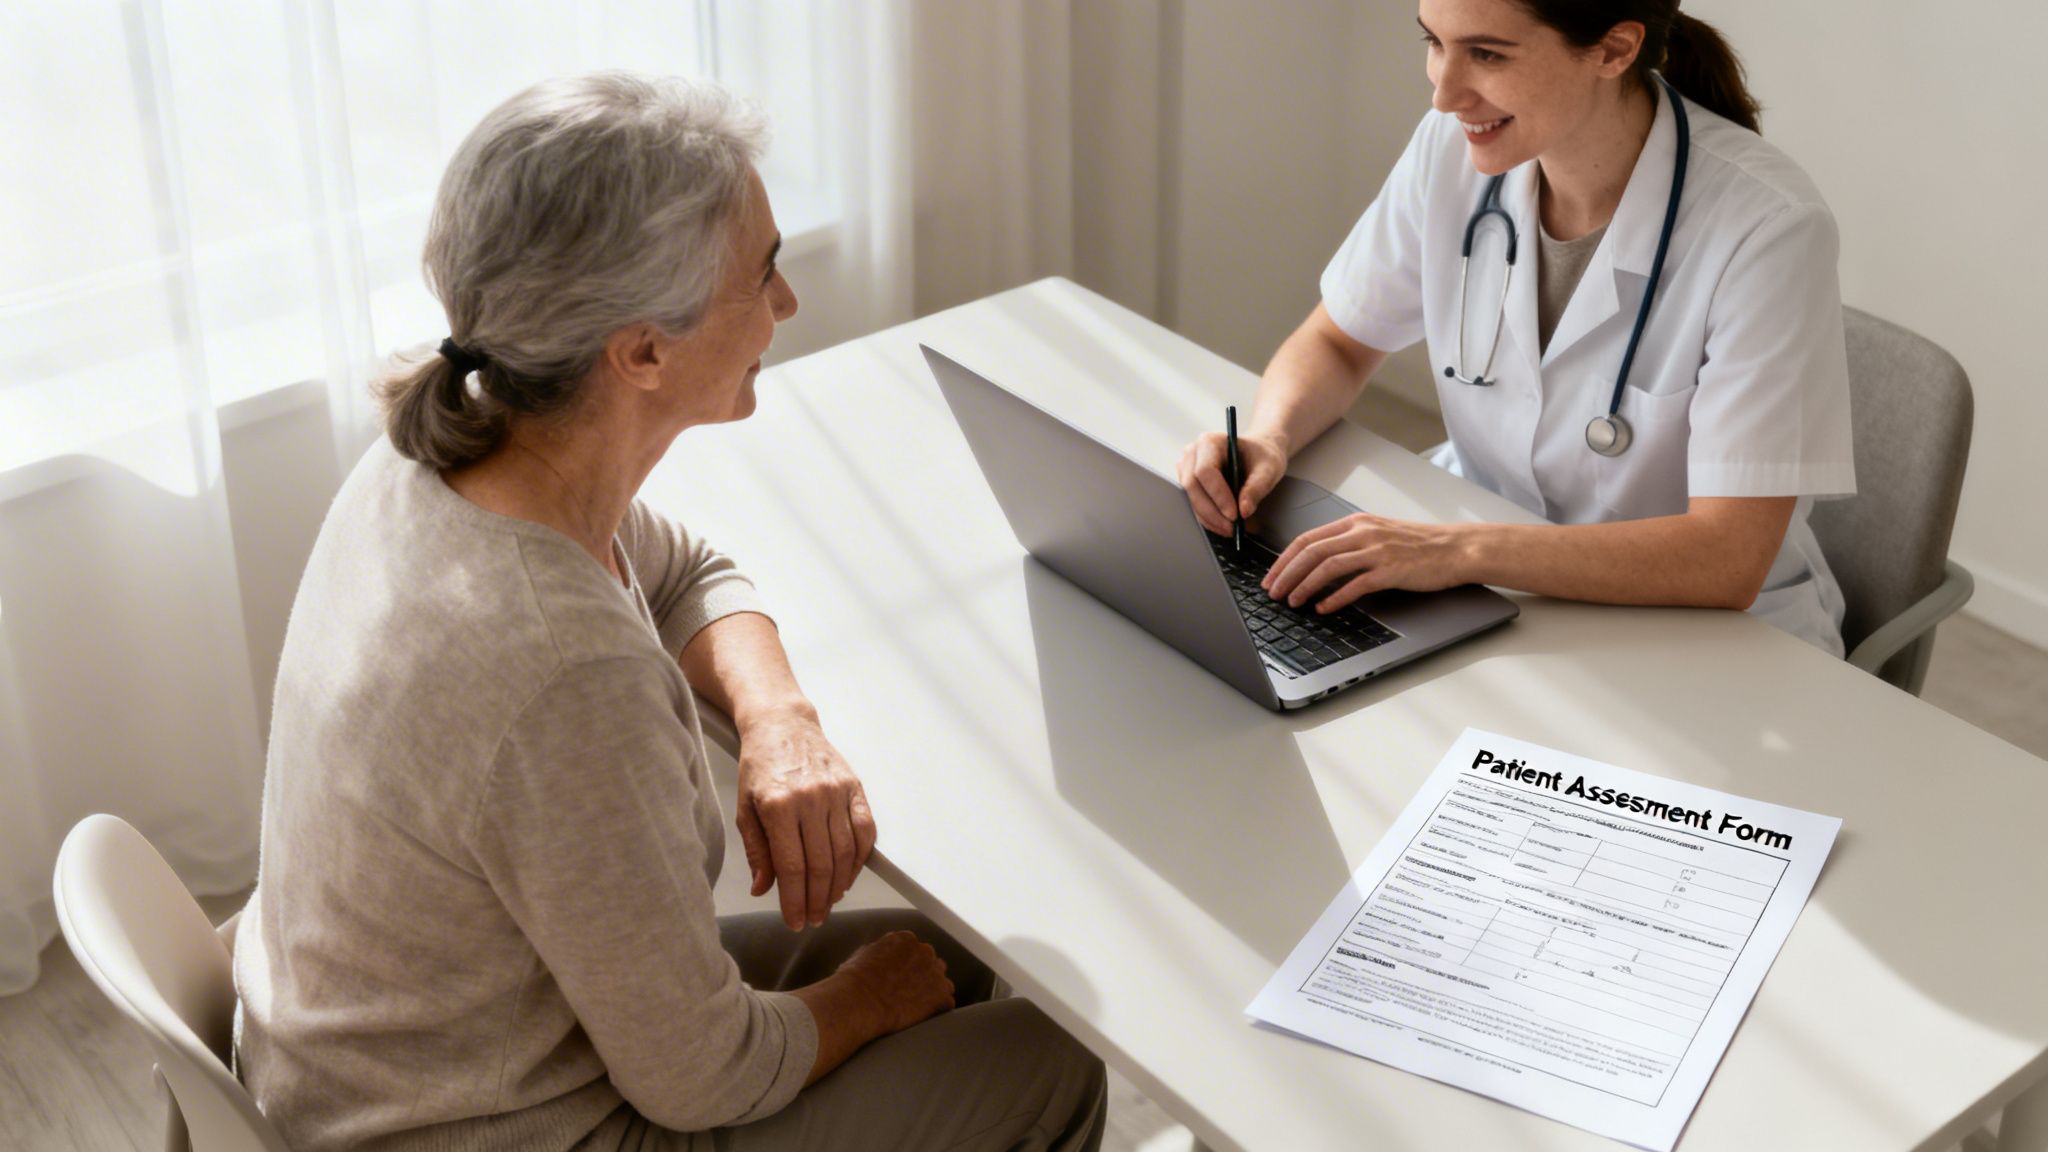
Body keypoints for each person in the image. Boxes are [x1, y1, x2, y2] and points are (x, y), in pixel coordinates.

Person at [232, 73, 1105, 1152]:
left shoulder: (443, 456)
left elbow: (685, 565)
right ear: (640, 351)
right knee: (1050, 1058)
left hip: (393, 1053)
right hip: (487, 1126)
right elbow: (703, 1078)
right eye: (765, 273)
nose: (785, 306)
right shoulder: (559, 669)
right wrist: (869, 998)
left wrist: (779, 722)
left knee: (961, 965)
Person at [1178, 0, 1856, 655]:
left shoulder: (1769, 229)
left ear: (1614, 49)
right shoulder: (1455, 147)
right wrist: (1271, 434)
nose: (1445, 95)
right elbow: (1339, 340)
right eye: (1434, 43)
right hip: (1488, 583)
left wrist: (1456, 552)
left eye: (1486, 54)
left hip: (1693, 632)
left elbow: (1726, 557)